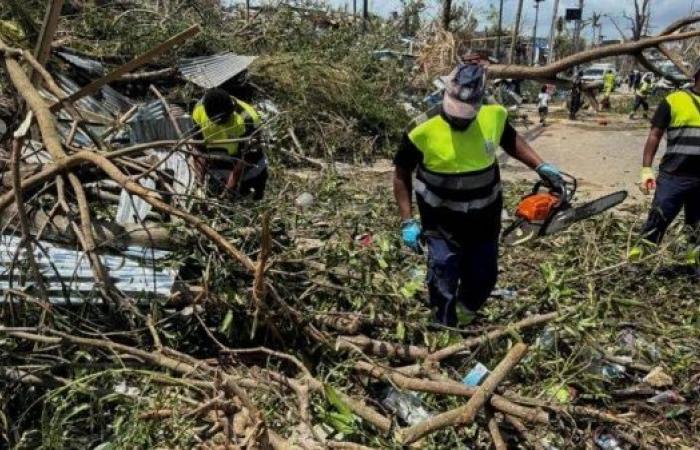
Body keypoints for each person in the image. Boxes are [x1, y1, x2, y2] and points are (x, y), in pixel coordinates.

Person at [393, 62, 566, 326]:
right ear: (445, 95)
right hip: (441, 221)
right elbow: (400, 174)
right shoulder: (421, 129)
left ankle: (464, 312)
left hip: (484, 219)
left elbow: (511, 140)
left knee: (484, 276)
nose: (459, 119)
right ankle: (444, 327)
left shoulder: (493, 116)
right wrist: (407, 220)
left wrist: (540, 165)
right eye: (454, 113)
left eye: (466, 115)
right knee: (443, 275)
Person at [634, 62, 700, 276]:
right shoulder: (674, 100)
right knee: (657, 221)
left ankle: (693, 268)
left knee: (696, 229)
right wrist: (646, 168)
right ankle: (639, 265)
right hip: (673, 177)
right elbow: (654, 134)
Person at [192, 88, 268, 200]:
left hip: (249, 172)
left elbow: (245, 161)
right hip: (218, 170)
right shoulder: (199, 112)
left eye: (225, 120)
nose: (221, 125)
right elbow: (199, 150)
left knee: (249, 205)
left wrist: (227, 192)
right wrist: (199, 184)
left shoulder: (248, 118)